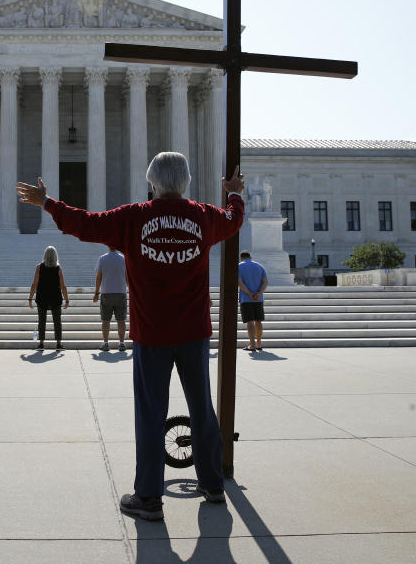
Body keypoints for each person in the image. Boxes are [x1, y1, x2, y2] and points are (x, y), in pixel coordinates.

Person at [17, 151, 245, 521]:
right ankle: (213, 484)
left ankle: (149, 497)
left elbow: (85, 224)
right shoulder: (204, 217)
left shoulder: (134, 217)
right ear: (185, 182)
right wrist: (234, 193)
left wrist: (48, 203)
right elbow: (234, 220)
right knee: (202, 409)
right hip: (192, 332)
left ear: (152, 184)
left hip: (152, 333)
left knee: (151, 413)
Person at [28, 245, 69, 350]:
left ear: (45, 255)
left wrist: (30, 298)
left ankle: (41, 344)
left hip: (42, 297)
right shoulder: (58, 268)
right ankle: (59, 344)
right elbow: (63, 286)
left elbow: (34, 284)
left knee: (41, 321)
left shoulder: (39, 267)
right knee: (57, 321)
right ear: (55, 256)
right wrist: (67, 299)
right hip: (56, 297)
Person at [93, 245, 127, 352]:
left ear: (108, 246)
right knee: (121, 320)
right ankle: (121, 343)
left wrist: (96, 293)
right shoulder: (123, 259)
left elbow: (99, 277)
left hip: (106, 293)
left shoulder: (102, 258)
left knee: (106, 320)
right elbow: (127, 276)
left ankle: (106, 343)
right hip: (120, 292)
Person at [237, 251, 268, 352]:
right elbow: (265, 282)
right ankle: (259, 344)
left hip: (246, 299)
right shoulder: (260, 266)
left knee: (250, 321)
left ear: (241, 258)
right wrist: (259, 293)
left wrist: (250, 294)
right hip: (259, 299)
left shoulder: (239, 266)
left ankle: (252, 345)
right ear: (250, 257)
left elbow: (240, 283)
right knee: (258, 320)